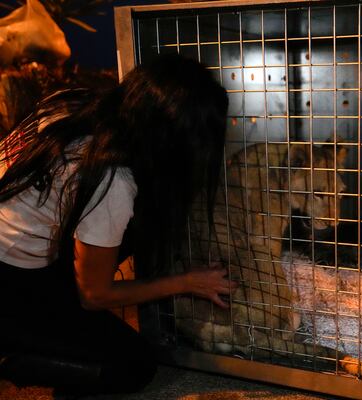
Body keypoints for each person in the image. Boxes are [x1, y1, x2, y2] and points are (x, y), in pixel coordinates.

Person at [0, 54, 233, 395]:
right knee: (132, 363)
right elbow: (95, 295)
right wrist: (188, 282)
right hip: (9, 282)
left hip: (13, 248)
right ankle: (16, 355)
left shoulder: (72, 102)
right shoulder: (112, 179)